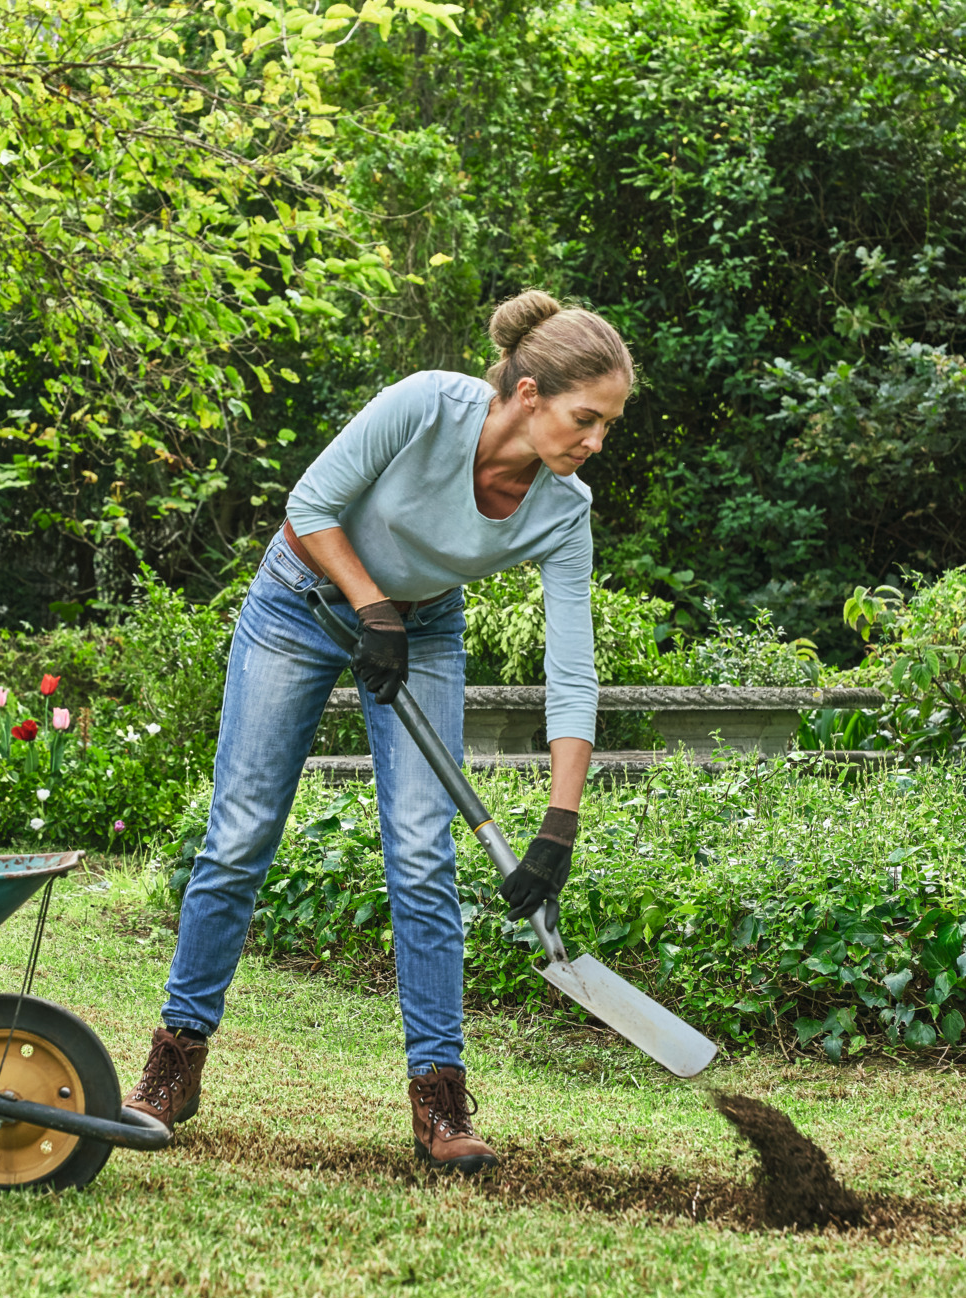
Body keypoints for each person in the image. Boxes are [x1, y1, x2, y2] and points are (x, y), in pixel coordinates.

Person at [124, 290, 634, 1173]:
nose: (593, 444)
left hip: (423, 626)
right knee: (242, 833)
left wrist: (560, 824)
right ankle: (176, 1059)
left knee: (422, 851)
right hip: (302, 599)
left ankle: (438, 1098)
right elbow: (311, 503)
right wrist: (369, 608)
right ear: (526, 396)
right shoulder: (427, 405)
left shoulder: (564, 510)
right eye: (584, 420)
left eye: (606, 427)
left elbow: (572, 672)